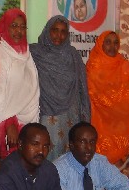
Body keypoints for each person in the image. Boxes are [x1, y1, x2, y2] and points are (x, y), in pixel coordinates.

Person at [86, 30, 129, 171]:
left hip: (124, 132)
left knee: (124, 178)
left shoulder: (128, 68)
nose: (112, 46)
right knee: (101, 175)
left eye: (116, 43)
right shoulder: (92, 67)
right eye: (108, 42)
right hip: (101, 129)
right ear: (100, 44)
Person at [30, 15, 90, 161]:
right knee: (46, 154)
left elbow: (82, 87)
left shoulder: (73, 55)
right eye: (55, 30)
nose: (59, 35)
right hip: (46, 113)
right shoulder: (34, 53)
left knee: (69, 158)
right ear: (47, 30)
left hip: (71, 115)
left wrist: (85, 118)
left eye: (63, 31)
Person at [0, 8, 40, 157]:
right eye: (14, 26)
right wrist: (10, 124)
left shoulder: (26, 53)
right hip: (2, 124)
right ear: (5, 26)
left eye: (22, 27)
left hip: (26, 121)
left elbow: (30, 89)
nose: (18, 31)